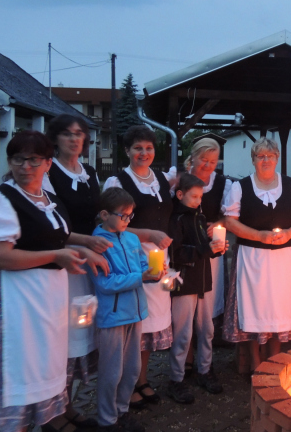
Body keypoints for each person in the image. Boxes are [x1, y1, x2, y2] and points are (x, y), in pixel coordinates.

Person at [0, 131, 108, 432]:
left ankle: (48, 419)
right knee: (17, 372)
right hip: (12, 300)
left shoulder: (47, 199)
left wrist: (84, 247)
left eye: (34, 160)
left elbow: (52, 236)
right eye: (18, 159)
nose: (25, 166)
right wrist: (58, 256)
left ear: (48, 163)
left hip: (44, 299)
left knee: (40, 368)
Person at [43, 114, 111, 431]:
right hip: (65, 262)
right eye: (68, 134)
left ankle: (67, 406)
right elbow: (53, 225)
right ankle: (51, 416)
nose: (75, 139)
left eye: (79, 134)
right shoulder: (48, 172)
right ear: (55, 138)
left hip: (88, 263)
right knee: (62, 337)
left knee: (80, 334)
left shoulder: (89, 173)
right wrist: (85, 243)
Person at [222, 137, 291, 371]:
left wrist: (290, 232)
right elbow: (230, 222)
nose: (266, 160)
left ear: (277, 158)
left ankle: (275, 362)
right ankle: (256, 363)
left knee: (279, 307)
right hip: (253, 258)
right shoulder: (240, 187)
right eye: (260, 156)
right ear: (253, 160)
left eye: (270, 156)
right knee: (255, 307)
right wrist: (258, 235)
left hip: (284, 258)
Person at [103, 125, 173, 408]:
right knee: (134, 324)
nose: (144, 153)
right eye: (138, 148)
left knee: (151, 324)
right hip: (130, 259)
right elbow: (109, 227)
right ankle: (126, 386)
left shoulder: (163, 180)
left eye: (149, 148)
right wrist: (149, 235)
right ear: (127, 151)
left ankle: (141, 380)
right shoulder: (117, 182)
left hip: (158, 258)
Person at [91, 188, 158, 432]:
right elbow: (105, 284)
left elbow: (142, 263)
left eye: (131, 216)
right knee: (112, 372)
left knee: (132, 369)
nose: (128, 221)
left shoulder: (130, 238)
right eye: (124, 216)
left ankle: (122, 411)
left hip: (136, 312)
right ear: (104, 215)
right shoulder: (98, 244)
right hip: (113, 316)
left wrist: (152, 271)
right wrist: (140, 277)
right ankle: (107, 420)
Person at [166, 137, 232, 371]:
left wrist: (218, 235)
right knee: (183, 324)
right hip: (184, 263)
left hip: (206, 262)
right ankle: (181, 370)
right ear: (192, 157)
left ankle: (204, 367)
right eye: (204, 160)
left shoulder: (220, 185)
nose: (208, 165)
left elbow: (229, 217)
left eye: (213, 161)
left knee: (206, 321)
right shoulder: (176, 182)